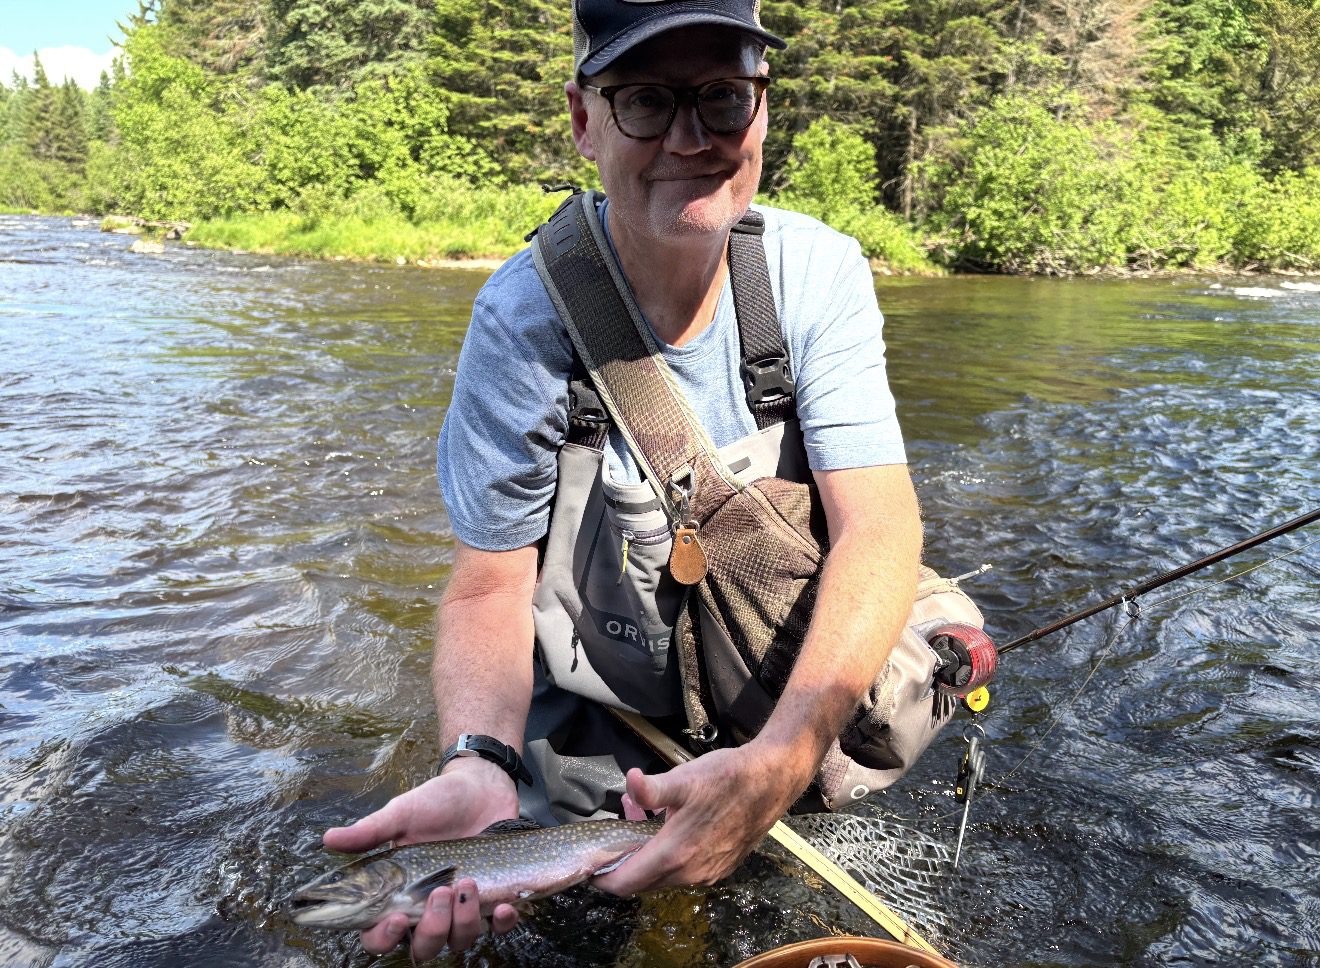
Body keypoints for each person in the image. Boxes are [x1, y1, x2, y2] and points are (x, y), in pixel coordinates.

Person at [321, 0, 923, 959]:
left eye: (723, 98)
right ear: (583, 119)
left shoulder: (820, 276)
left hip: (782, 695)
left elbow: (881, 530)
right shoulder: (522, 321)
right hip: (605, 713)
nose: (692, 138)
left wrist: (784, 757)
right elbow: (489, 583)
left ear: (762, 112)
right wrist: (478, 760)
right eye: (646, 99)